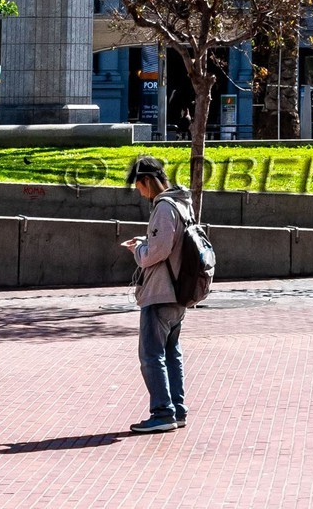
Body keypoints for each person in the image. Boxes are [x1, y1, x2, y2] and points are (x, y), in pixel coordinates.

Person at [122, 152, 191, 436]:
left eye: (139, 186)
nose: (139, 192)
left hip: (161, 291)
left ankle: (162, 412)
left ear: (148, 181)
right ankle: (176, 409)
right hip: (179, 291)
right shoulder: (183, 204)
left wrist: (138, 250)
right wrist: (146, 242)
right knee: (171, 352)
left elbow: (158, 251)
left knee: (151, 355)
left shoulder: (163, 207)